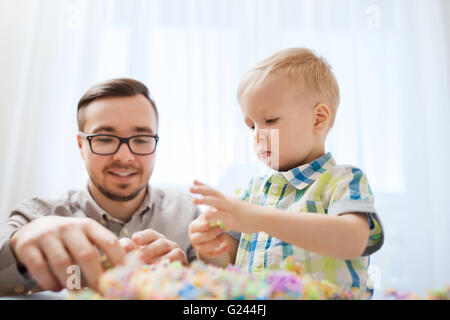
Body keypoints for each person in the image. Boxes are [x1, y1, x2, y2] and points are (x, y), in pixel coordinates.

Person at [188, 48, 384, 298]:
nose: (258, 134)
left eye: (270, 120)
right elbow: (227, 267)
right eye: (251, 126)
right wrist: (210, 249)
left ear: (318, 119)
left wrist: (259, 218)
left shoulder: (343, 180)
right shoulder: (251, 193)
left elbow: (355, 239)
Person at [0, 78, 200, 296]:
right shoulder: (38, 216)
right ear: (81, 145)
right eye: (105, 139)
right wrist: (20, 245)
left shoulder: (188, 214)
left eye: (141, 139)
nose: (125, 157)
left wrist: (188, 281)